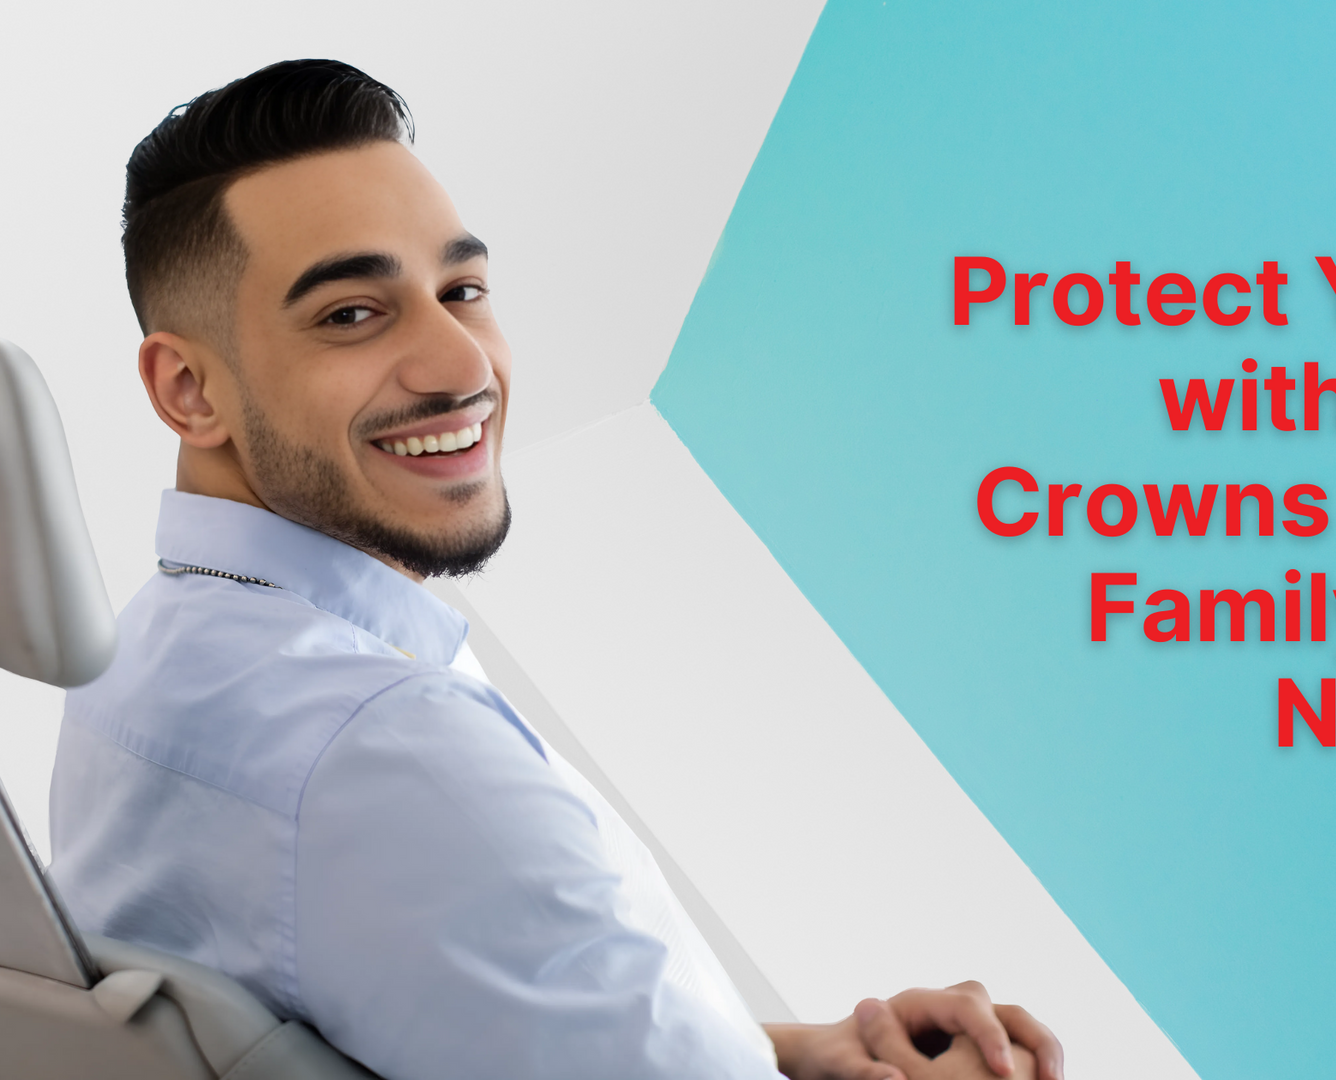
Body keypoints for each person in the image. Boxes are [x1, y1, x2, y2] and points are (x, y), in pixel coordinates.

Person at [47, 59, 1062, 1080]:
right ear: (188, 389)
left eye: (463, 291)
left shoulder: (151, 658)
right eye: (352, 313)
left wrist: (799, 1051)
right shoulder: (383, 749)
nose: (462, 367)